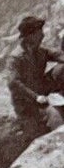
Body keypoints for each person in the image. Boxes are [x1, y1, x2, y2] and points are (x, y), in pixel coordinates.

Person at [8, 14, 64, 145]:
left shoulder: (39, 51)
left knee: (62, 68)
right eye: (40, 32)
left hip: (40, 89)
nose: (43, 35)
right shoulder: (16, 58)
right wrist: (35, 97)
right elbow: (14, 83)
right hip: (27, 100)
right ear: (30, 35)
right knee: (54, 117)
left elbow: (58, 55)